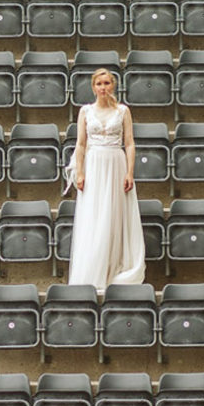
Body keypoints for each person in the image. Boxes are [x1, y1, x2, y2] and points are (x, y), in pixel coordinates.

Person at [67, 67, 146, 291]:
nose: (103, 87)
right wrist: (80, 172)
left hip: (116, 163)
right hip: (94, 165)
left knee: (113, 216)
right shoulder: (85, 112)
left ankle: (113, 270)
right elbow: (81, 144)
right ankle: (93, 271)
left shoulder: (123, 111)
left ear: (113, 85)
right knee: (94, 216)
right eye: (99, 84)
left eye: (107, 83)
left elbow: (129, 143)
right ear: (93, 87)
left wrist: (130, 172)